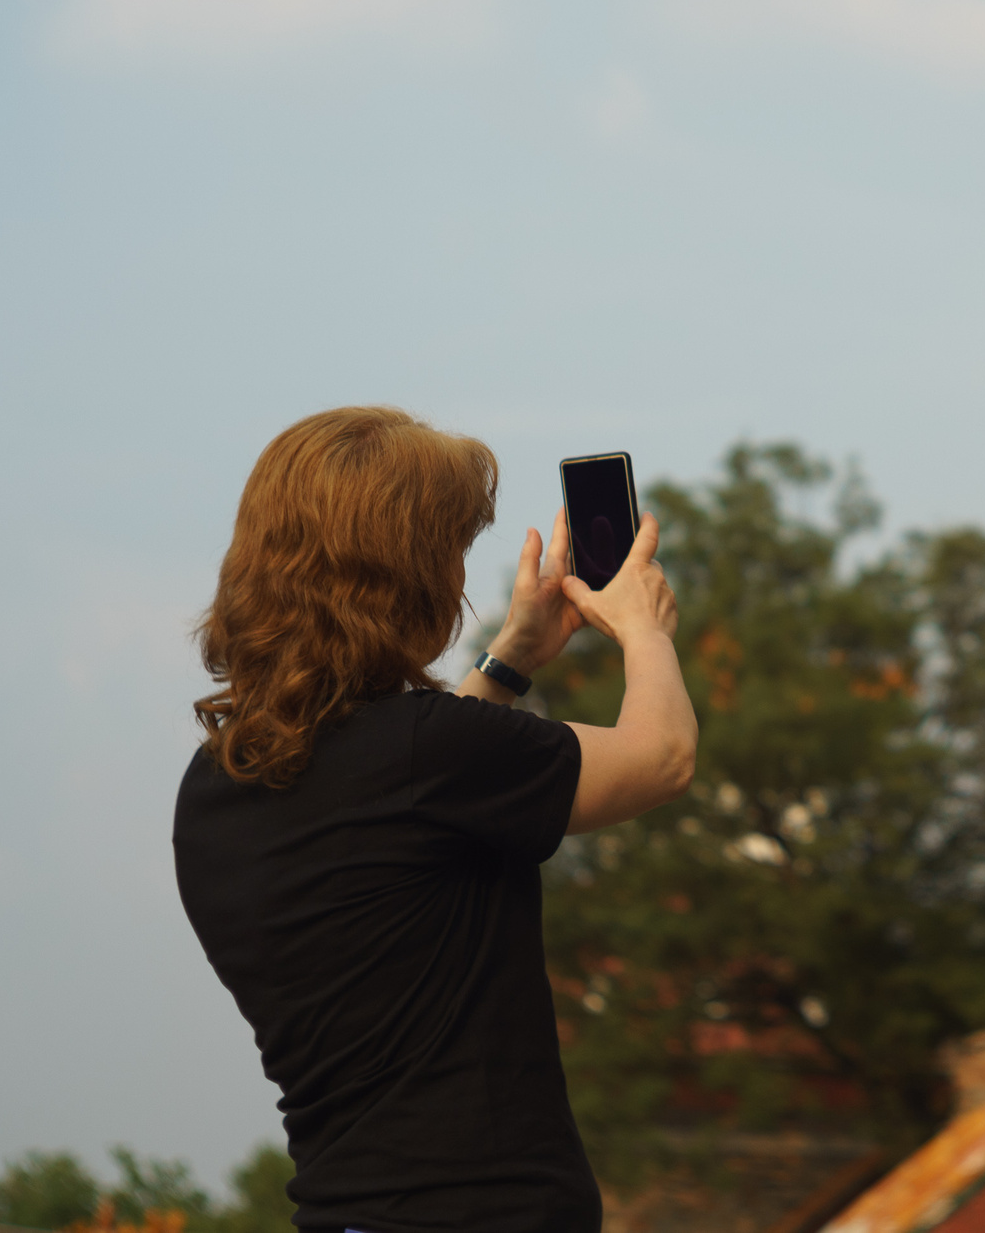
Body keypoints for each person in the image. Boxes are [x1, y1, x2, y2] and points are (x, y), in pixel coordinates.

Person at [173, 407, 695, 1233]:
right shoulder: (427, 754)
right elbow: (661, 754)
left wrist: (510, 658)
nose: (457, 579)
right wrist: (643, 628)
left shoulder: (215, 784)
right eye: (450, 550)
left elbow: (404, 798)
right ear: (404, 571)